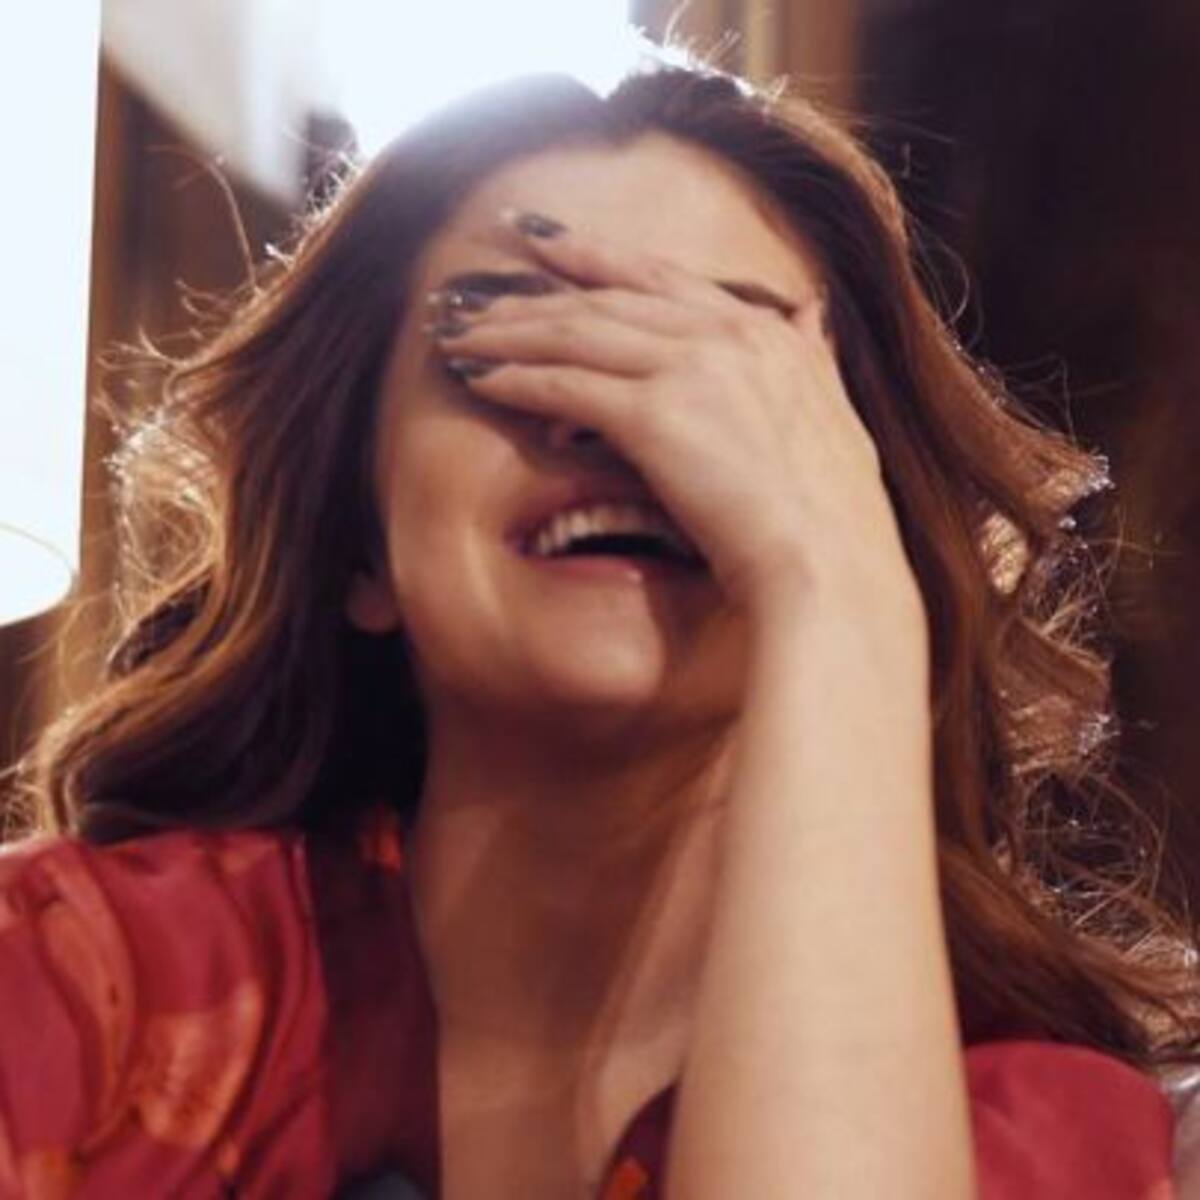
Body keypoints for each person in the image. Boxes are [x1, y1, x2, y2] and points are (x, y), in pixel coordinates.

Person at [4, 40, 1198, 1199]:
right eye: (505, 339)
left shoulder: (1073, 1147)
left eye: (725, 363)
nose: (616, 418)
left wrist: (836, 595)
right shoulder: (71, 980)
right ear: (357, 541)